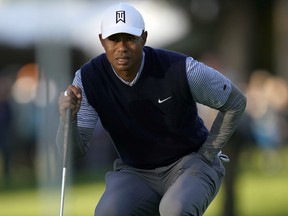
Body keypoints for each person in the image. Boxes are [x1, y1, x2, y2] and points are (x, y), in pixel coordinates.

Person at [57, 2, 247, 216]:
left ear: (144, 38)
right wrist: (68, 120)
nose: (122, 47)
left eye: (130, 38)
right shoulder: (87, 79)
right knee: (108, 212)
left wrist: (209, 152)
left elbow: (235, 102)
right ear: (102, 40)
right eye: (114, 39)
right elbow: (72, 153)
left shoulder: (181, 68)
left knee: (175, 210)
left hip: (190, 162)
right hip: (135, 172)